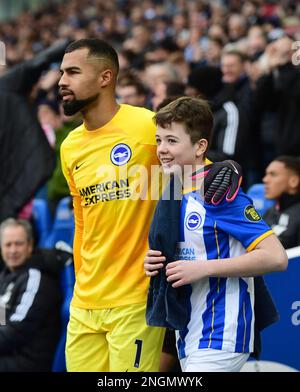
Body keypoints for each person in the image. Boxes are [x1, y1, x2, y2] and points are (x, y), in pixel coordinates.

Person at [58, 38, 243, 372]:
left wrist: (228, 172)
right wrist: (80, 281)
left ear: (105, 77)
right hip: (85, 302)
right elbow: (82, 220)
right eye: (61, 73)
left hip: (136, 296)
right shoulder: (70, 146)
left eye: (72, 72)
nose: (61, 81)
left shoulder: (146, 125)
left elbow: (200, 171)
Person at [144, 96, 288, 372]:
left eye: (172, 141)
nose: (162, 149)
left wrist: (203, 268)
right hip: (188, 331)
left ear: (200, 147)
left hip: (222, 331)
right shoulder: (173, 190)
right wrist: (153, 262)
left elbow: (276, 257)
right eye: (159, 140)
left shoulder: (221, 193)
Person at [0, 218, 62, 372]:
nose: (13, 250)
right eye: (8, 244)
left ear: (30, 246)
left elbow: (16, 331)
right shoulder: (5, 276)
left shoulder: (36, 278)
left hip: (28, 362)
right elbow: (1, 321)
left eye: (18, 244)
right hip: (9, 354)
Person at [263, 156, 300, 249]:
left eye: (273, 174)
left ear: (294, 181)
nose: (265, 180)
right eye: (266, 174)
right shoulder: (270, 211)